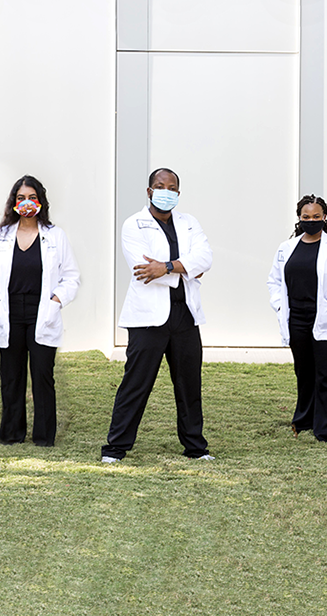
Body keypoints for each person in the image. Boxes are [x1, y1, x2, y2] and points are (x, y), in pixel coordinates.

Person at [101, 168, 213, 462]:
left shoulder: (189, 223)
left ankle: (195, 447)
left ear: (178, 193)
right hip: (148, 319)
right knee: (136, 383)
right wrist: (185, 268)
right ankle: (115, 448)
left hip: (185, 315)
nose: (166, 191)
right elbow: (143, 270)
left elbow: (205, 258)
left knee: (189, 385)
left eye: (172, 187)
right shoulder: (133, 225)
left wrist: (166, 266)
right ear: (149, 191)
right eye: (160, 186)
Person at [0, 175, 80, 447]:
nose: (26, 203)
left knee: (43, 375)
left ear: (41, 202)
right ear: (13, 203)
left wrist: (56, 301)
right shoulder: (0, 236)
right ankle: (11, 433)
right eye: (21, 198)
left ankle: (44, 437)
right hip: (8, 312)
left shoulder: (55, 236)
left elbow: (71, 277)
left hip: (42, 311)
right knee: (11, 376)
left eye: (32, 198)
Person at [267, 194, 327, 442]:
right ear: (299, 219)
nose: (311, 220)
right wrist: (280, 307)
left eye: (316, 217)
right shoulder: (286, 247)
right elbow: (274, 281)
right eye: (306, 217)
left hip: (325, 319)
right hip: (295, 319)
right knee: (304, 371)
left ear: (324, 218)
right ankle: (304, 420)